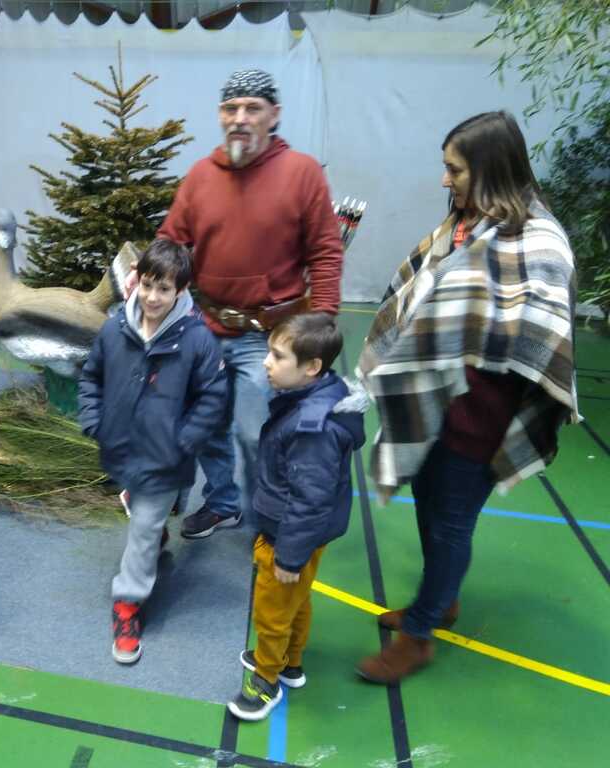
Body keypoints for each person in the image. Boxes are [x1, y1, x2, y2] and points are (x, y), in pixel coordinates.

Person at [355, 111, 579, 684]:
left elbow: (539, 337)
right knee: (428, 500)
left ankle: (419, 636)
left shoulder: (539, 241)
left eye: (454, 169)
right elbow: (423, 294)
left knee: (451, 520)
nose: (444, 179)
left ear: (490, 169)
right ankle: (441, 601)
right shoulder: (463, 224)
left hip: (481, 415)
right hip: (434, 399)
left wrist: (470, 347)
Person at [157, 69, 344, 539]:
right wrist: (155, 294)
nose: (239, 118)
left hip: (268, 338)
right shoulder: (201, 176)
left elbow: (326, 252)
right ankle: (223, 504)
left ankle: (270, 517)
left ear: (273, 115)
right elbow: (171, 241)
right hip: (205, 328)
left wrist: (321, 324)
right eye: (230, 108)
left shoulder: (302, 173)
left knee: (256, 433)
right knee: (207, 426)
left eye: (252, 108)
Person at [78, 239, 227, 664]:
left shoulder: (197, 340)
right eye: (147, 285)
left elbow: (213, 396)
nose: (153, 297)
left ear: (181, 290)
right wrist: (94, 420)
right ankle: (157, 523)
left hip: (166, 457)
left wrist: (185, 439)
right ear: (136, 281)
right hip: (123, 450)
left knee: (143, 527)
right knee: (146, 512)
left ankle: (127, 603)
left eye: (164, 289)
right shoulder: (114, 330)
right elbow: (91, 378)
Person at [227, 313, 366, 721]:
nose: (266, 362)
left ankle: (265, 680)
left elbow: (310, 499)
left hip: (287, 536)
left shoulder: (312, 429)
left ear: (311, 367)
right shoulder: (317, 396)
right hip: (304, 536)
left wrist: (288, 555)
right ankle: (291, 663)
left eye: (277, 356)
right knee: (297, 599)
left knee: (271, 611)